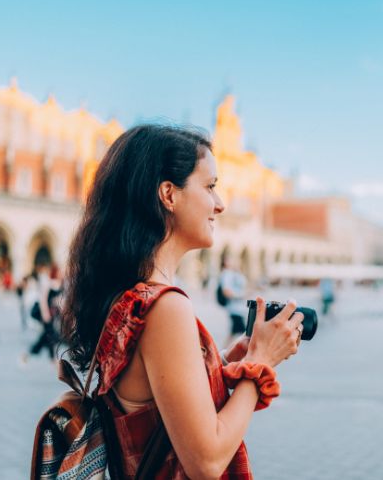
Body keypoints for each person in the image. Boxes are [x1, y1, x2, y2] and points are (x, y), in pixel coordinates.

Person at [60, 124, 303, 478]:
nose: (219, 205)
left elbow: (153, 403)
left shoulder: (132, 298)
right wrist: (261, 364)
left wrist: (219, 366)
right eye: (210, 187)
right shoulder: (165, 307)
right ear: (168, 195)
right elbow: (206, 461)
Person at [219, 256, 248, 347]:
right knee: (246, 335)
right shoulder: (227, 274)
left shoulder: (233, 273)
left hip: (238, 309)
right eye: (230, 260)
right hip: (234, 309)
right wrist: (241, 295)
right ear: (225, 262)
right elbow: (226, 292)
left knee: (235, 333)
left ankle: (221, 355)